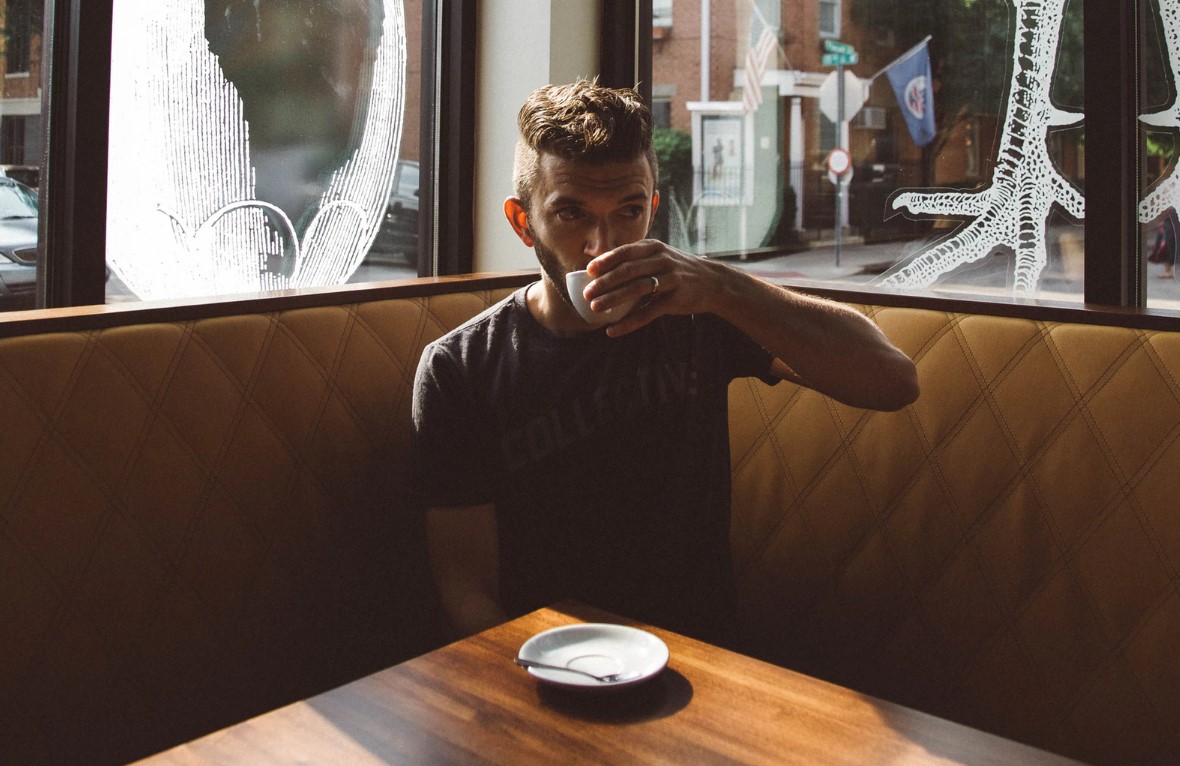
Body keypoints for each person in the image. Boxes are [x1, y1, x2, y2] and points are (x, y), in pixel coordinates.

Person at [409, 80, 919, 643]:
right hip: (544, 667)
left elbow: (893, 381)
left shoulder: (699, 315)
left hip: (699, 660)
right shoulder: (459, 369)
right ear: (523, 222)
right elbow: (467, 593)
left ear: (652, 207)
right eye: (572, 213)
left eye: (628, 210)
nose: (603, 244)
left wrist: (723, 286)